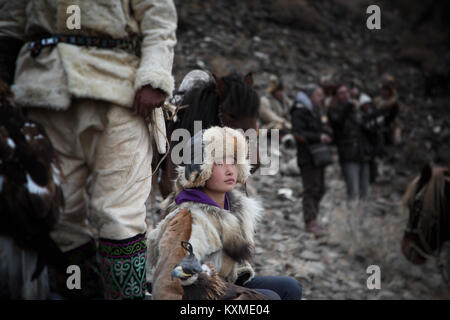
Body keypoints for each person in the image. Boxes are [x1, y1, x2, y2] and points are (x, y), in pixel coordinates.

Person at [0, 0, 177, 300]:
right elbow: (11, 21)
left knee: (119, 213)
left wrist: (155, 75)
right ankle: (80, 293)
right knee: (58, 215)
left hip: (120, 93)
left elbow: (158, 17)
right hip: (44, 91)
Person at [147, 126, 303, 300]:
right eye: (220, 163)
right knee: (268, 298)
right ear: (201, 169)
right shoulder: (189, 218)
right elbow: (167, 283)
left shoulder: (235, 207)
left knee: (290, 287)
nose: (230, 170)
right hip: (200, 292)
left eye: (233, 162)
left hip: (226, 281)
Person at [290, 84, 332, 236]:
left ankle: (314, 218)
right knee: (311, 188)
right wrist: (319, 137)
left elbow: (319, 129)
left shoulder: (315, 111)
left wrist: (326, 133)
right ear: (310, 96)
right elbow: (298, 133)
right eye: (318, 95)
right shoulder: (299, 111)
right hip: (307, 157)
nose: (321, 98)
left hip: (318, 156)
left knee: (320, 188)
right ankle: (310, 222)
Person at [328, 84, 373, 206]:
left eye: (346, 92)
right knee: (353, 192)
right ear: (336, 96)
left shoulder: (356, 109)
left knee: (366, 192)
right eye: (341, 93)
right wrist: (348, 107)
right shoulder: (334, 110)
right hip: (348, 155)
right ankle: (352, 220)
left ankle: (364, 220)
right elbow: (338, 123)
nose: (345, 95)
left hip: (363, 153)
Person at [373, 74, 401, 146]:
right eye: (383, 89)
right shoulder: (377, 99)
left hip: (388, 125)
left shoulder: (393, 102)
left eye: (386, 89)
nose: (384, 91)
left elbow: (393, 115)